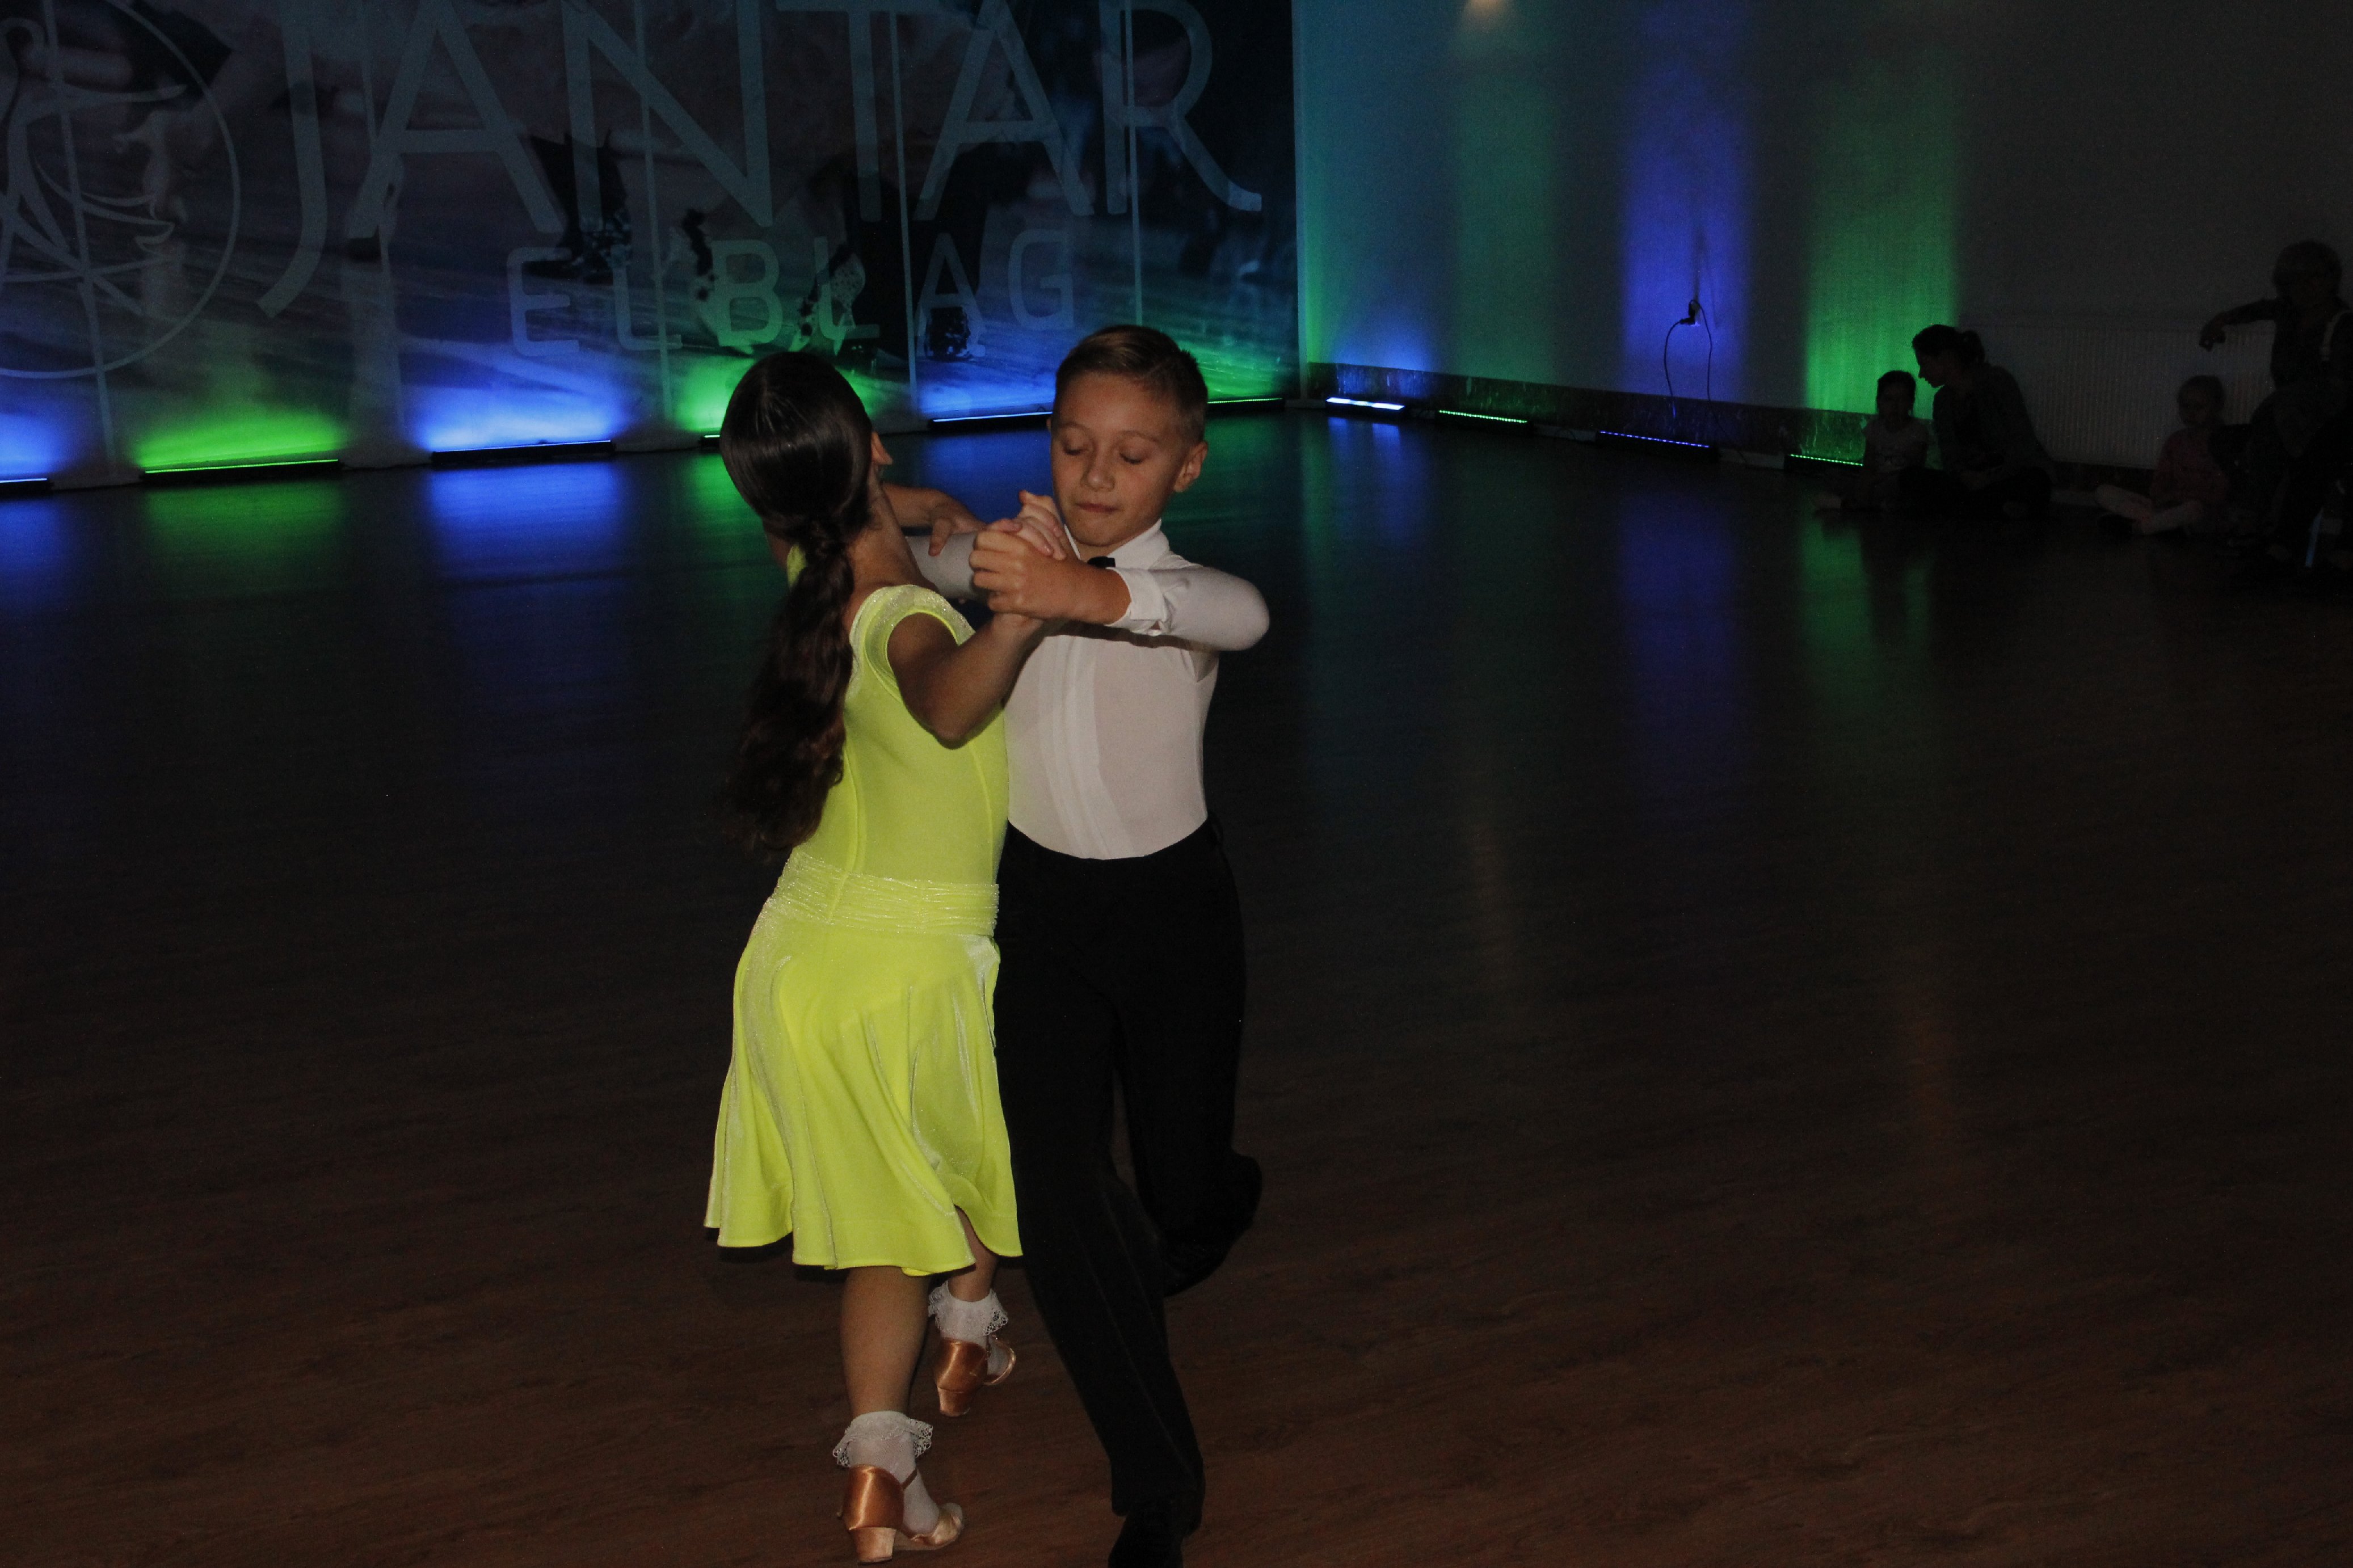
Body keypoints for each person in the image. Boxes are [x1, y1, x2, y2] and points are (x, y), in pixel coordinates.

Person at [700, 352, 1063, 1563]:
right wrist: (1021, 612)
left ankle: (911, 1418)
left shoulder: (806, 565)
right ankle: (943, 1359)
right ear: (875, 445)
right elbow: (947, 703)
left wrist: (931, 511)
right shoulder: (903, 617)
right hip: (901, 964)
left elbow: (844, 510)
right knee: (952, 1170)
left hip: (803, 953)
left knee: (903, 1202)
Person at [919, 326, 1271, 1568]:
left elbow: (1242, 612)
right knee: (1061, 1193)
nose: (1098, 474)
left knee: (1177, 1191)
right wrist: (916, 517)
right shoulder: (1013, 555)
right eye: (1075, 445)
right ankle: (1158, 1488)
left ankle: (1214, 1198)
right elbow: (916, 552)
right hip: (1042, 915)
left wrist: (1083, 592)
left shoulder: (1183, 596)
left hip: (1176, 914)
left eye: (1133, 453)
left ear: (1187, 465)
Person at [2200, 241, 2353, 567]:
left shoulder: (2342, 326)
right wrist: (2222, 320)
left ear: (2331, 280)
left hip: (2321, 426)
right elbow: (2258, 310)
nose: (2306, 288)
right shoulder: (2287, 313)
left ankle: (2260, 525)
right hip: (2281, 422)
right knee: (2228, 442)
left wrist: (2289, 405)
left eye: (2315, 278)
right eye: (2296, 281)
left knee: (2273, 429)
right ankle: (2256, 520)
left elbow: (2337, 395)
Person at [1901, 325, 2057, 520]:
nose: (1921, 374)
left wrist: (1991, 477)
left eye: (1924, 364)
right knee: (1911, 478)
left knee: (2035, 481)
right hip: (1970, 481)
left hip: (2008, 475)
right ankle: (1996, 508)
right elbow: (1949, 454)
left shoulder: (1997, 381)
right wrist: (1964, 474)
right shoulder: (1942, 401)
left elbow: (2023, 444)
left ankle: (1981, 507)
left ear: (1945, 358)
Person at [2095, 376, 2233, 537]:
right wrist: (2161, 497)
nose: (2191, 413)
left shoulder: (2223, 444)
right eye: (2186, 406)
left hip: (2201, 511)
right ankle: (2160, 524)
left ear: (2216, 408)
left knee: (2193, 510)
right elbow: (2160, 480)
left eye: (2198, 407)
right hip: (2168, 507)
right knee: (2103, 492)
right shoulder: (2176, 441)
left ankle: (2138, 528)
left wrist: (2179, 497)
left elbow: (2219, 494)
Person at [1817, 370, 1931, 512]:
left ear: (1911, 402)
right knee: (1832, 475)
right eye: (1888, 399)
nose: (1895, 406)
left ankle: (1853, 504)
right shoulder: (1875, 428)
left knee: (1900, 487)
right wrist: (1866, 482)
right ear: (1879, 402)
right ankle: (1872, 504)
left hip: (1897, 484)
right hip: (1874, 482)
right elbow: (1869, 464)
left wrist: (1872, 482)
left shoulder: (1917, 432)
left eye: (1901, 399)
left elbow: (1914, 472)